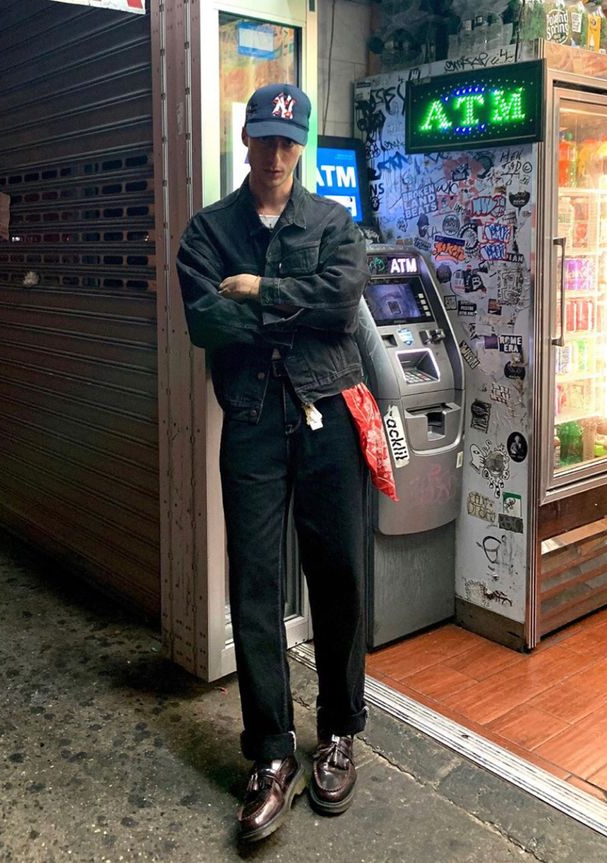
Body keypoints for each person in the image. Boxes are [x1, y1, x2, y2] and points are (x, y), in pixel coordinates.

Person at [176, 83, 370, 843]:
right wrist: (293, 300)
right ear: (247, 139)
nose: (276, 155)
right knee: (254, 585)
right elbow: (204, 318)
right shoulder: (208, 231)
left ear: (305, 146)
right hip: (254, 420)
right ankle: (270, 754)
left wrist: (260, 290)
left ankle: (341, 730)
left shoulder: (334, 222)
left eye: (290, 142)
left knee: (339, 575)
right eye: (264, 139)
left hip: (328, 415)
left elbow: (344, 300)